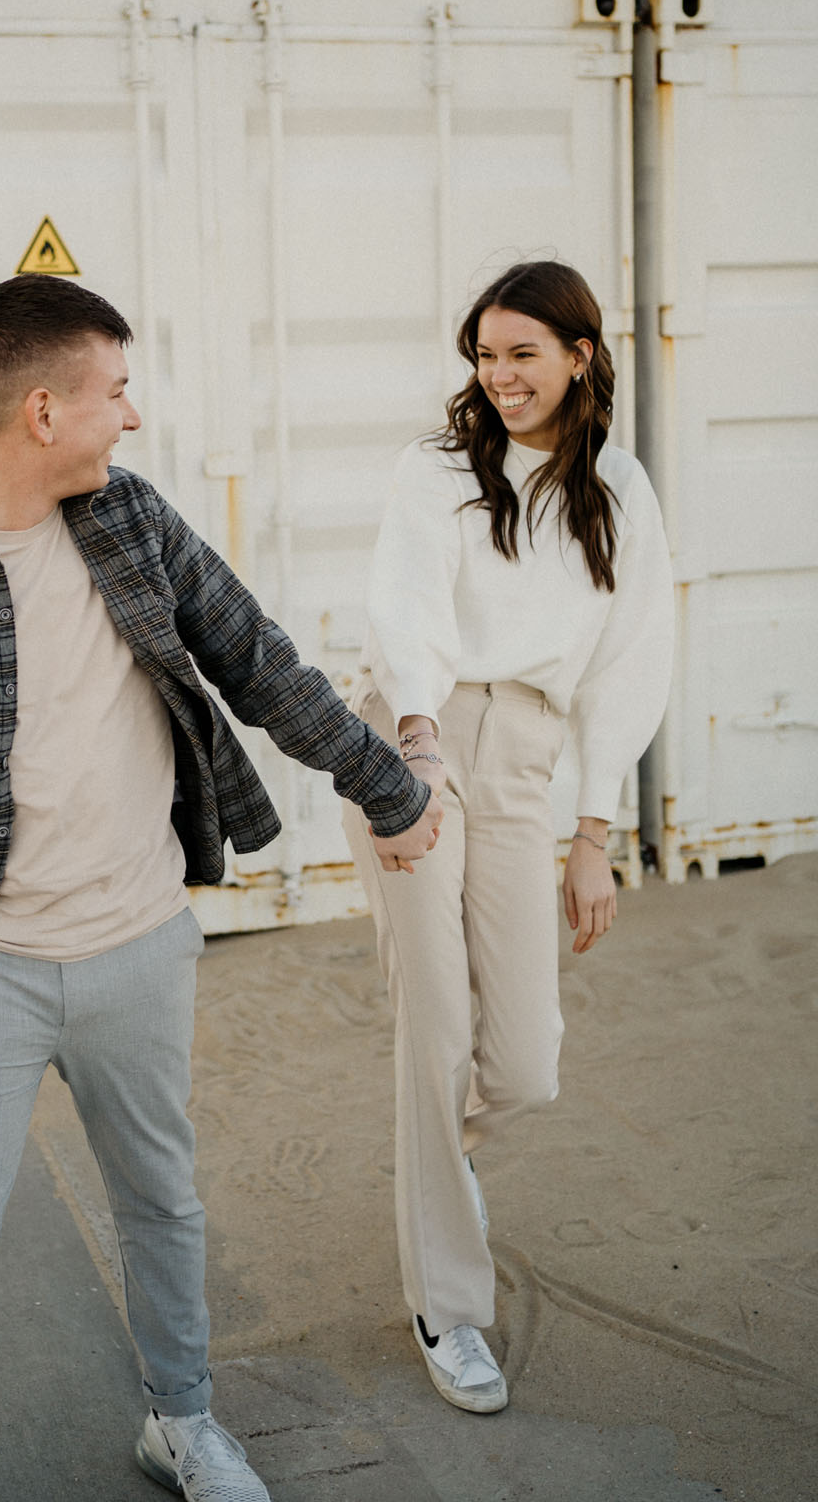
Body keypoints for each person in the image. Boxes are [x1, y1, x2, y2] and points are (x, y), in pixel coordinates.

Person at [0, 274, 441, 1502]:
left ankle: (182, 1420)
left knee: (161, 1204)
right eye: (115, 393)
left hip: (140, 950)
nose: (131, 418)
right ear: (42, 411)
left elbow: (261, 665)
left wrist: (387, 788)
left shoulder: (134, 526)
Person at [342, 259, 673, 1416]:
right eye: (483, 357)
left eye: (521, 354)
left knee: (522, 1059)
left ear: (579, 354)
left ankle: (443, 1159)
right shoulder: (435, 470)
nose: (498, 377)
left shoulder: (618, 490)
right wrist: (416, 754)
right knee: (434, 1025)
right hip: (414, 744)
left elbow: (632, 664)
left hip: (528, 758)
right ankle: (449, 1304)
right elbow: (406, 608)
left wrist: (594, 832)